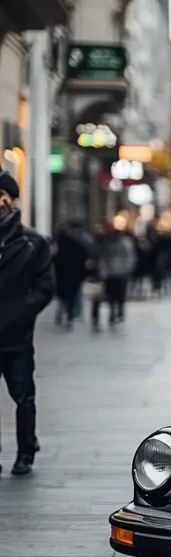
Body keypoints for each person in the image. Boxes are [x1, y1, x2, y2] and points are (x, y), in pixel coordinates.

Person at [0, 171, 55, 476]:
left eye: (3, 194)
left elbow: (45, 287)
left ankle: (25, 451)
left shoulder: (32, 243)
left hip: (17, 337)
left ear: (12, 199)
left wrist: (21, 313)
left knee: (23, 397)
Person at [94, 223, 137, 329]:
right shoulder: (108, 244)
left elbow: (130, 257)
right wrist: (103, 269)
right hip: (111, 273)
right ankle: (113, 312)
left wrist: (127, 268)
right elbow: (103, 257)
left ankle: (119, 311)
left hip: (121, 273)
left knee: (120, 294)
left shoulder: (124, 244)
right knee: (111, 294)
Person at [53, 223, 89, 327]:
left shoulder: (60, 248)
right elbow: (84, 256)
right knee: (73, 295)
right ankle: (70, 314)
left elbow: (55, 261)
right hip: (74, 274)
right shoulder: (78, 245)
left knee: (63, 296)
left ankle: (62, 313)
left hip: (63, 275)